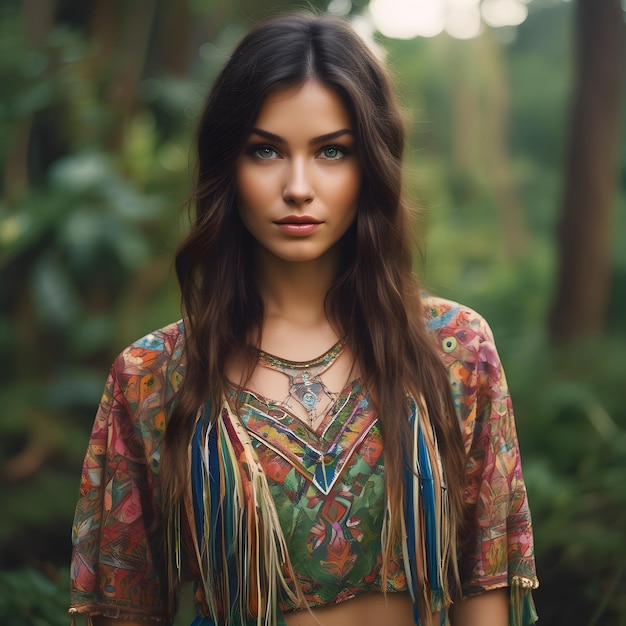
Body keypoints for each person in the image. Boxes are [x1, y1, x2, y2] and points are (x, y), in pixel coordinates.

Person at [68, 12, 538, 626]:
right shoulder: (153, 376)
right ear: (227, 168)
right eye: (265, 150)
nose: (297, 186)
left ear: (370, 164)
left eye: (331, 152)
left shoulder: (454, 348)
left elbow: (484, 587)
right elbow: (125, 609)